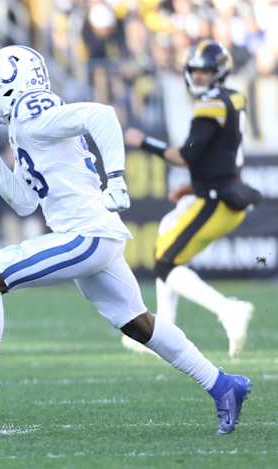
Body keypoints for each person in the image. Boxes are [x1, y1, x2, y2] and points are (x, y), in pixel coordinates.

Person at [0, 45, 251, 434]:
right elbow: (26, 203)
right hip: (92, 235)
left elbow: (102, 115)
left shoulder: (33, 112)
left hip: (86, 234)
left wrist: (116, 178)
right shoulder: (24, 125)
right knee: (139, 324)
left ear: (13, 83)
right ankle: (222, 385)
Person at [124, 40, 259, 358]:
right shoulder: (233, 98)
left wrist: (144, 141)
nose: (199, 76)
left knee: (166, 264)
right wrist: (193, 187)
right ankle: (163, 329)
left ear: (219, 72)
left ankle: (227, 310)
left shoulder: (210, 105)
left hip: (218, 201)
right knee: (166, 231)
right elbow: (220, 154)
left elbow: (184, 156)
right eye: (196, 70)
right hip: (219, 192)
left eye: (206, 71)